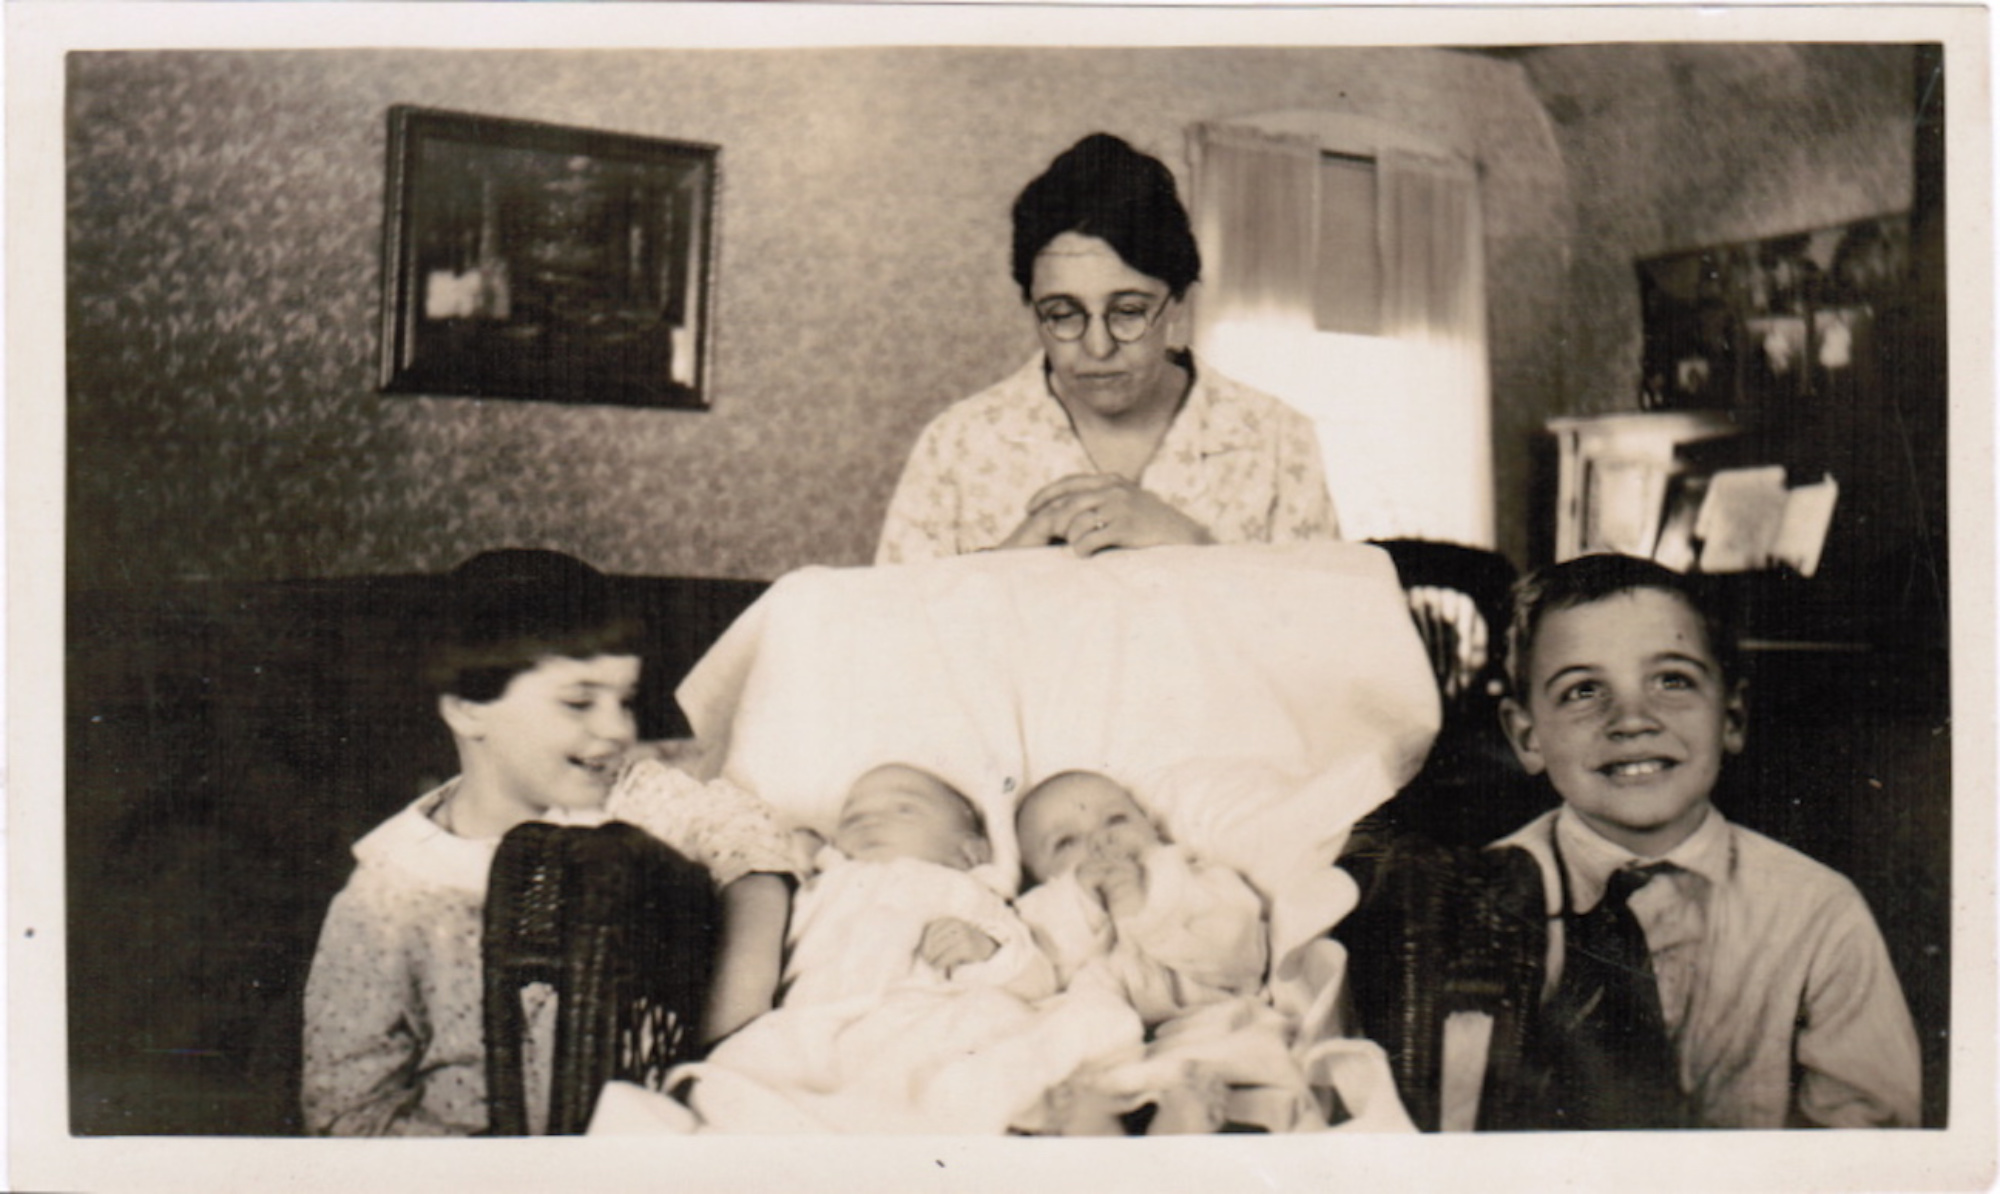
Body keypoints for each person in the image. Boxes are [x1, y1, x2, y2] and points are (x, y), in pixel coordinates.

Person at [300, 549, 803, 1136]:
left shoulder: (632, 798)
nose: (618, 730)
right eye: (578, 702)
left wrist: (731, 1025)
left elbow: (752, 844)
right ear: (468, 709)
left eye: (624, 700)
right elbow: (346, 1116)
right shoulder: (391, 893)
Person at [1491, 552, 1920, 1129]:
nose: (1632, 720)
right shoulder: (1478, 899)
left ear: (1732, 716)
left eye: (1672, 681)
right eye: (1584, 690)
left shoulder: (1818, 914)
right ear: (1526, 736)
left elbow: (1870, 1143)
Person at [876, 132, 1339, 564]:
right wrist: (1008, 567)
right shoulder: (956, 446)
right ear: (1031, 305)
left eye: (1129, 311)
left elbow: (1329, 643)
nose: (1097, 347)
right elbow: (893, 641)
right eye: (1062, 313)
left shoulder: (1278, 442)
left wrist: (1197, 548)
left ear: (1179, 301)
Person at [666, 763, 1138, 1134]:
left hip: (929, 1017)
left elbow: (1036, 977)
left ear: (970, 850)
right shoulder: (822, 881)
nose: (871, 818)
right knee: (741, 1068)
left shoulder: (967, 890)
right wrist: (801, 850)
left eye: (905, 808)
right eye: (852, 815)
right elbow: (759, 858)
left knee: (1000, 1040)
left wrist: (986, 952)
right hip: (821, 1020)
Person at [1012, 769, 1309, 1135]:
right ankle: (1099, 1127)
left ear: (1151, 825)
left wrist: (1148, 914)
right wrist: (1081, 907)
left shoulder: (1196, 879)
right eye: (1066, 842)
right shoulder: (1047, 916)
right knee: (1070, 1075)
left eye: (1115, 819)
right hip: (1112, 1057)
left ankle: (1182, 1122)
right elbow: (1036, 976)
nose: (1100, 842)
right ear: (1038, 876)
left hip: (1205, 1029)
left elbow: (1243, 959)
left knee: (1238, 1054)